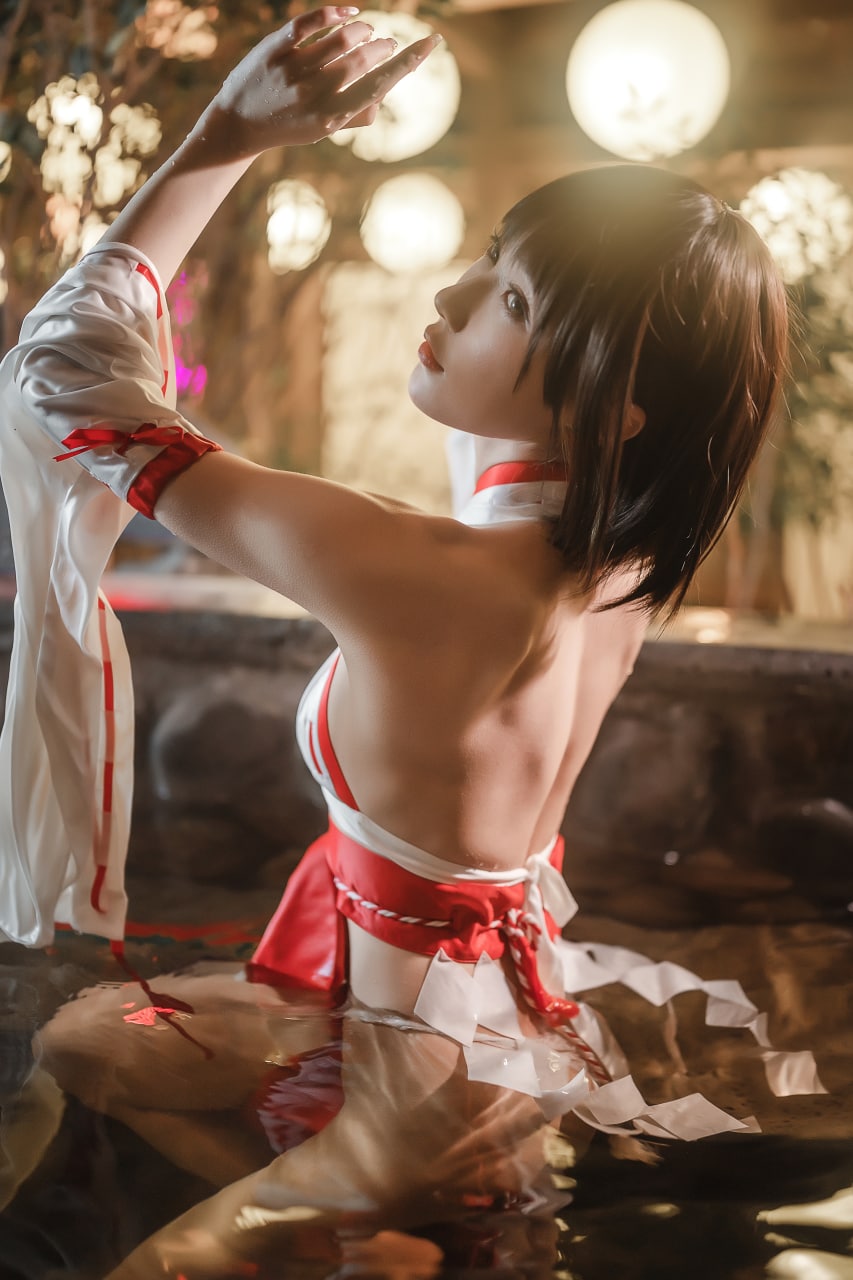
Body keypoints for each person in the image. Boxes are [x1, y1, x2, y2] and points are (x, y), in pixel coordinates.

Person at [0, 6, 824, 1275]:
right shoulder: (619, 563)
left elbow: (61, 369)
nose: (448, 294)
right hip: (464, 1031)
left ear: (610, 404)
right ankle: (380, 1233)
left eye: (510, 298)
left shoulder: (423, 577)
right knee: (87, 1043)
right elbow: (510, 452)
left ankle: (376, 1203)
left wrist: (226, 137)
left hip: (415, 1088)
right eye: (490, 257)